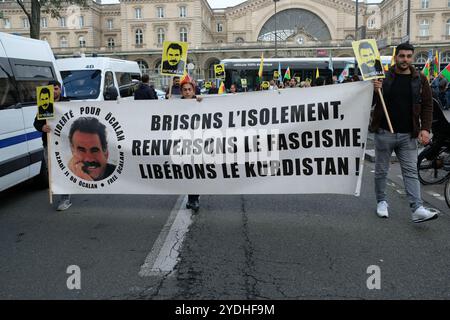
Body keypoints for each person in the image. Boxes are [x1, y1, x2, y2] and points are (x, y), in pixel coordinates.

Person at [372, 42, 438, 223]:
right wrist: (373, 89)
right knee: (381, 171)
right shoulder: (383, 76)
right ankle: (382, 202)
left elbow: (427, 105)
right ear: (396, 57)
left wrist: (425, 128)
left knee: (410, 172)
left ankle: (417, 208)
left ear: (412, 58)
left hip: (408, 134)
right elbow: (370, 103)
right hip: (384, 132)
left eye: (409, 56)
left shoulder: (420, 78)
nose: (405, 60)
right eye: (402, 56)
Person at [33, 80, 72, 211]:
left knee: (63, 170)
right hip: (48, 143)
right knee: (53, 171)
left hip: (64, 143)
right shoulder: (45, 104)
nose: (54, 91)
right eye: (51, 89)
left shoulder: (67, 103)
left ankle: (65, 198)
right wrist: (42, 127)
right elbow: (36, 123)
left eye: (56, 88)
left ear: (60, 90)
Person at [179, 75, 203, 212]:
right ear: (181, 92)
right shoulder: (175, 104)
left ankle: (194, 198)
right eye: (185, 90)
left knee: (196, 171)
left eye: (189, 89)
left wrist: (200, 101)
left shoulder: (199, 101)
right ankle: (191, 199)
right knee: (188, 171)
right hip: (183, 143)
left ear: (193, 90)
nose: (187, 92)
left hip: (197, 142)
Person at [68, 117, 116, 181]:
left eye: (94, 150)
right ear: (72, 151)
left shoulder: (123, 177)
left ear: (106, 152)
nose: (89, 159)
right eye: (81, 150)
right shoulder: (60, 179)